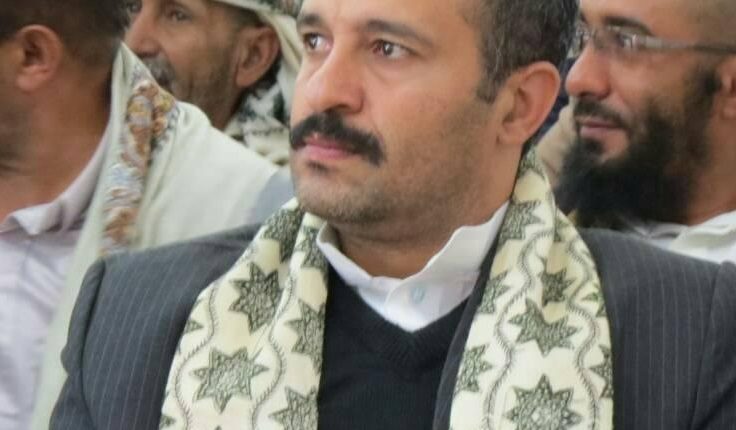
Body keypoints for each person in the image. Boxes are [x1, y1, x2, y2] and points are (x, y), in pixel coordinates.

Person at [50, 0, 736, 428]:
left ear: (520, 105)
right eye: (316, 41)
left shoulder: (683, 334)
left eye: (387, 50)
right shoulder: (138, 317)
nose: (325, 89)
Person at [0, 0, 293, 428]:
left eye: (176, 14)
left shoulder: (249, 220)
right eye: (136, 9)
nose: (136, 40)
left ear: (33, 55)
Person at [554, 0, 736, 264]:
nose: (577, 80)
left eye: (626, 42)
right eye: (581, 35)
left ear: (731, 88)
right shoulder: (539, 216)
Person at [125, 0, 302, 165]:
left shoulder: (267, 184)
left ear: (253, 56)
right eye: (132, 6)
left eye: (177, 16)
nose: (132, 44)